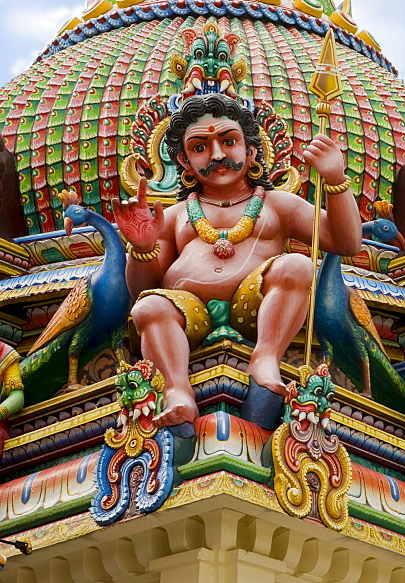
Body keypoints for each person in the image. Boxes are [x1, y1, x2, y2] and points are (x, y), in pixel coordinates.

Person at [111, 93, 361, 429]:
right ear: (184, 161)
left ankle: (265, 358)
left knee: (298, 266)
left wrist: (335, 180)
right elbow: (143, 288)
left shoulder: (277, 204)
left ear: (251, 151)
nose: (217, 155)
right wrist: (141, 248)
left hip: (256, 307)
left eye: (229, 141)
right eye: (200, 148)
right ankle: (177, 391)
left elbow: (346, 242)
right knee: (149, 308)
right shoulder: (174, 216)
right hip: (188, 313)